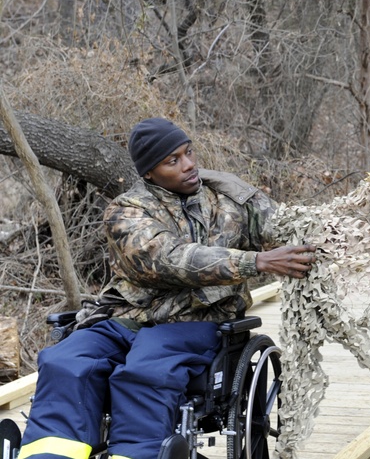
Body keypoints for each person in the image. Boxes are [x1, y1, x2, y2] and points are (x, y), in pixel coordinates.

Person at [17, 117, 317, 459]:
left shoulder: (230, 201)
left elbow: (293, 230)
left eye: (188, 152)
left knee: (146, 371)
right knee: (63, 360)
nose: (188, 165)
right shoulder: (126, 211)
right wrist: (256, 262)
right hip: (126, 317)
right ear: (149, 173)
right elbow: (165, 258)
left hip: (195, 320)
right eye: (172, 160)